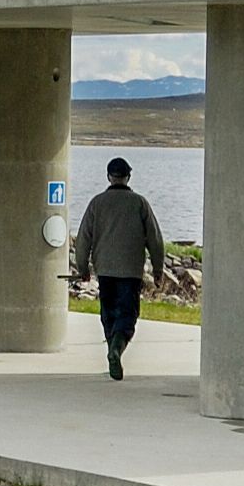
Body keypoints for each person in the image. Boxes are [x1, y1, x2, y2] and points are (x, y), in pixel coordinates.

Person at [66, 156, 166, 381]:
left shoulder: (97, 203)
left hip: (105, 270)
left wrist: (83, 267)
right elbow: (155, 240)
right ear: (128, 176)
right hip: (130, 270)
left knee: (108, 313)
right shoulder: (140, 203)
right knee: (127, 314)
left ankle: (112, 350)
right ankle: (117, 350)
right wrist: (158, 269)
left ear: (109, 177)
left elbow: (83, 239)